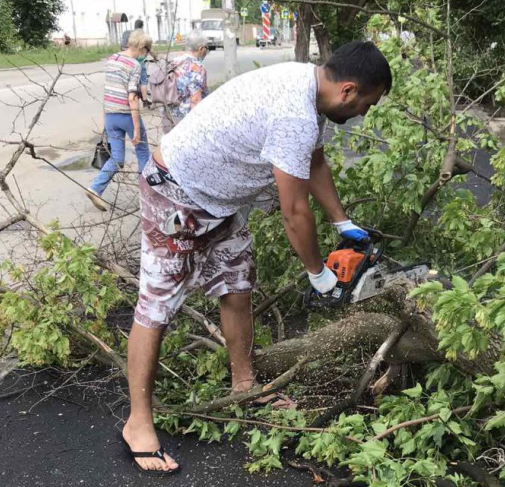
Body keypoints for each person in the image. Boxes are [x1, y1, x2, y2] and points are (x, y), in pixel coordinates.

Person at [120, 41, 391, 475]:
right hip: (177, 195)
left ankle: (244, 383)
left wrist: (343, 223)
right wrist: (318, 274)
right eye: (367, 104)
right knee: (155, 308)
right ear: (349, 90)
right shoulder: (295, 114)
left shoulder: (309, 88)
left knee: (238, 286)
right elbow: (294, 211)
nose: (364, 114)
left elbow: (314, 160)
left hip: (222, 203)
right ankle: (138, 423)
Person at [86, 30, 153, 211]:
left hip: (110, 115)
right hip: (126, 115)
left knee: (117, 158)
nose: (146, 53)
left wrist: (105, 119)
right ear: (141, 47)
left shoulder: (112, 60)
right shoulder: (134, 65)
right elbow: (132, 98)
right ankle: (147, 197)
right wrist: (137, 128)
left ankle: (95, 189)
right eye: (146, 49)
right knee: (143, 153)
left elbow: (109, 90)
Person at [158, 29, 209, 134]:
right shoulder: (197, 68)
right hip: (185, 120)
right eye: (206, 48)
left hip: (167, 115)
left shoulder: (173, 62)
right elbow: (195, 99)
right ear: (201, 48)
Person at [121, 20, 150, 103]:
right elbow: (148, 48)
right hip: (139, 61)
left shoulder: (131, 35)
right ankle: (145, 100)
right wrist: (155, 56)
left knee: (130, 81)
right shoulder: (142, 35)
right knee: (143, 80)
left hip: (129, 60)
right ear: (142, 26)